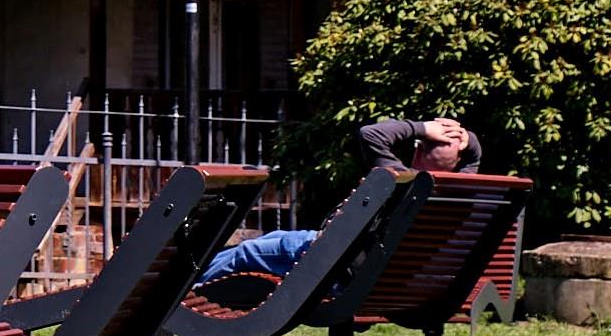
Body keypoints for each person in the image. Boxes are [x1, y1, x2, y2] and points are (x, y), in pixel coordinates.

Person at [191, 113, 481, 292]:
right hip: (380, 277)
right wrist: (466, 138)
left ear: (418, 148)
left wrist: (420, 127)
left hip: (338, 267)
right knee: (274, 239)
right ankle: (185, 283)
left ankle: (178, 293)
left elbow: (372, 134)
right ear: (460, 161)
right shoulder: (458, 191)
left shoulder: (404, 180)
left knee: (250, 251)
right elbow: (475, 156)